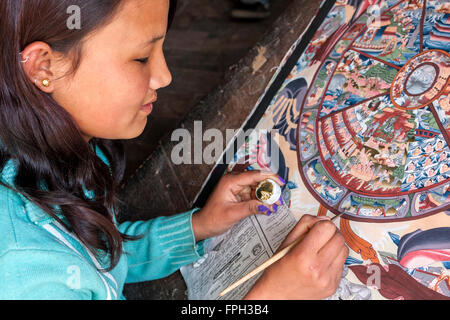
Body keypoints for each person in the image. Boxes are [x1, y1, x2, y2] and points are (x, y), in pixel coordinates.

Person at [0, 0, 348, 300]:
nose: (164, 76)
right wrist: (272, 296)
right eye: (141, 58)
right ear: (45, 67)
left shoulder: (57, 150)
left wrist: (198, 226)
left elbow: (98, 259)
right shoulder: (25, 274)